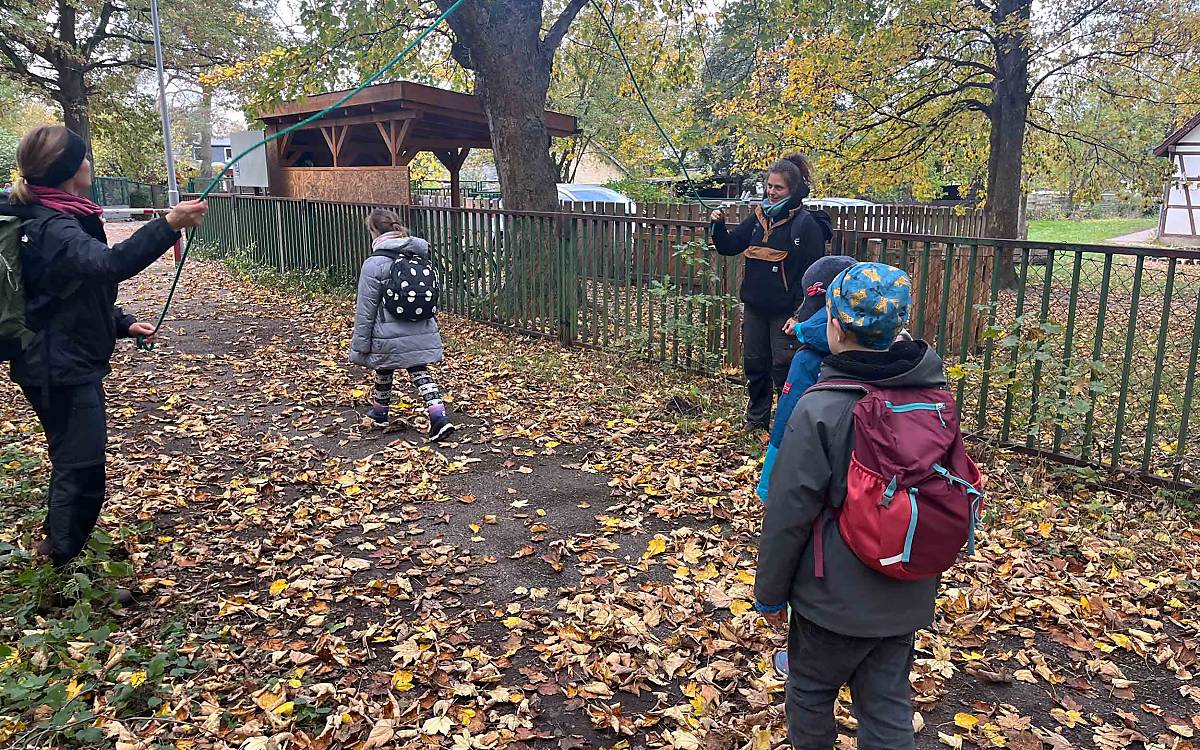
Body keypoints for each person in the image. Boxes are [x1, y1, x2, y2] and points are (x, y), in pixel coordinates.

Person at [754, 262, 953, 750]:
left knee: (810, 691)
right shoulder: (934, 398)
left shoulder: (821, 408)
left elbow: (788, 512)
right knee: (886, 705)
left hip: (830, 600)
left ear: (835, 327)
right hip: (906, 591)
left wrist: (770, 595)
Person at [1, 126, 207, 571]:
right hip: (57, 366)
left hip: (62, 357)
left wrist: (123, 323)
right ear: (71, 169)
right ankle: (62, 570)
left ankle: (59, 550)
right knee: (82, 469)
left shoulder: (55, 212)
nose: (89, 164)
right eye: (84, 157)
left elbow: (62, 294)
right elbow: (107, 265)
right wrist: (168, 225)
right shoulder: (51, 224)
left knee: (72, 461)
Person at [710, 156, 832, 430]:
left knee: (785, 370)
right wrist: (717, 226)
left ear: (794, 190)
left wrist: (800, 315)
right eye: (769, 185)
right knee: (755, 365)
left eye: (778, 188)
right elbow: (728, 246)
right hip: (754, 308)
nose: (771, 192)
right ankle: (756, 421)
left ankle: (788, 427)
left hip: (785, 313)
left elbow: (813, 278)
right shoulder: (757, 218)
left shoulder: (806, 226)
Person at [350, 209, 454, 441]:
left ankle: (382, 413)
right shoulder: (419, 256)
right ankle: (436, 415)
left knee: (384, 366)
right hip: (420, 327)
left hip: (387, 332)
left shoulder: (374, 264)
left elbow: (366, 310)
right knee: (417, 370)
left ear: (374, 231)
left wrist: (359, 347)